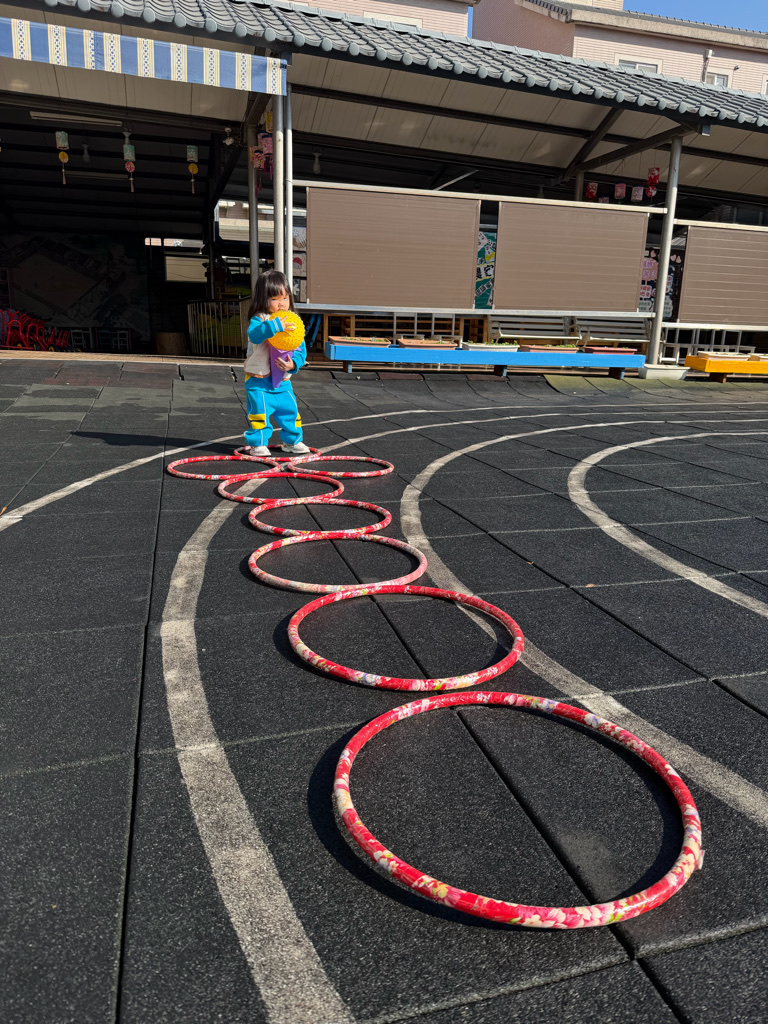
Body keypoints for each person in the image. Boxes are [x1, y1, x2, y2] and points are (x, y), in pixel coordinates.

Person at [243, 270, 310, 456]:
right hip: (258, 379)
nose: (282, 303)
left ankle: (292, 441)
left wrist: (293, 364)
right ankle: (258, 443)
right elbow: (254, 336)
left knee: (290, 411)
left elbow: (300, 349)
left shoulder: (293, 321)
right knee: (259, 413)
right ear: (263, 299)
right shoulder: (259, 319)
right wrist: (275, 326)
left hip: (283, 381)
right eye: (275, 298)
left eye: (285, 298)